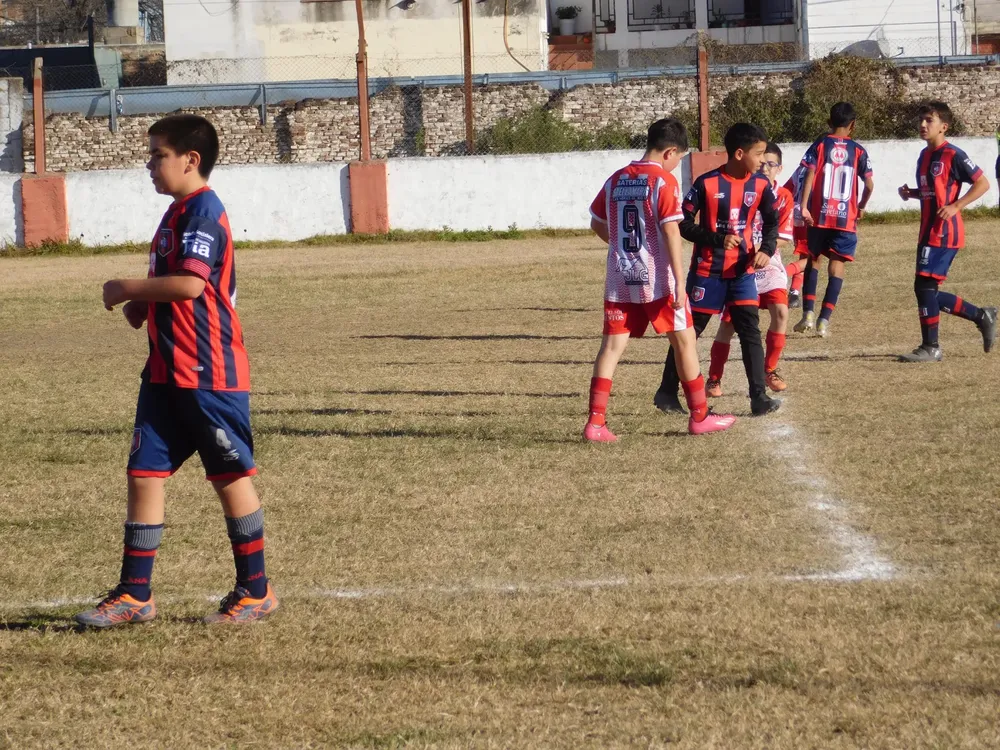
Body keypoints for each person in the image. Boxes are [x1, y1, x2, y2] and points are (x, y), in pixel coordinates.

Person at [76, 114, 278, 628]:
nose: (149, 165)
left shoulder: (205, 211)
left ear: (191, 159)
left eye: (157, 155)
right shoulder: (175, 214)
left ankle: (255, 590)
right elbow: (170, 278)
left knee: (230, 476)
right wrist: (144, 307)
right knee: (144, 474)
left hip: (208, 373)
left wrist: (127, 288)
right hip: (165, 374)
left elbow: (190, 285)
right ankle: (134, 594)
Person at [585, 118, 736, 441]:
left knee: (611, 348)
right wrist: (680, 282)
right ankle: (700, 416)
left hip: (621, 276)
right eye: (679, 158)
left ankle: (595, 423)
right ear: (669, 152)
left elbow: (597, 223)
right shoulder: (663, 183)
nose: (678, 164)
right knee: (685, 341)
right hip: (658, 280)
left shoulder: (616, 179)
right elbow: (670, 230)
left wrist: (624, 250)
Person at [652, 122, 781, 417]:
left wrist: (766, 250)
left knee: (750, 331)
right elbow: (682, 223)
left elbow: (772, 223)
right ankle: (667, 392)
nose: (763, 160)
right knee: (689, 333)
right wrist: (717, 239)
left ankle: (758, 398)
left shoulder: (762, 186)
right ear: (739, 153)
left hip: (743, 273)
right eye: (759, 153)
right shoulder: (706, 184)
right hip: (708, 272)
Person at [897, 101, 997, 362]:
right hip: (927, 231)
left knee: (925, 287)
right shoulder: (924, 155)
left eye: (929, 120)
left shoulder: (953, 154)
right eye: (921, 119)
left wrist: (957, 205)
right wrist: (912, 194)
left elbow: (983, 183)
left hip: (945, 232)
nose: (922, 124)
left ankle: (932, 347)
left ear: (944, 126)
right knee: (925, 290)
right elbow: (934, 192)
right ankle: (981, 316)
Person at [706, 142, 794, 396]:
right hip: (740, 266)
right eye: (762, 162)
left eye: (772, 164)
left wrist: (763, 249)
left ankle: (770, 369)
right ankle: (714, 378)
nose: (766, 168)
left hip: (768, 263)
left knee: (781, 311)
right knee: (729, 324)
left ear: (779, 169)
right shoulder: (742, 190)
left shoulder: (784, 196)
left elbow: (782, 235)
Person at [791, 102, 875, 337]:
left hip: (819, 216)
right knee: (836, 267)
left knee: (813, 260)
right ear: (853, 125)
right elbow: (869, 184)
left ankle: (807, 314)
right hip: (845, 220)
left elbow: (809, 172)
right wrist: (861, 206)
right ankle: (823, 321)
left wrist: (804, 205)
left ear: (829, 123)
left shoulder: (820, 145)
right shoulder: (859, 151)